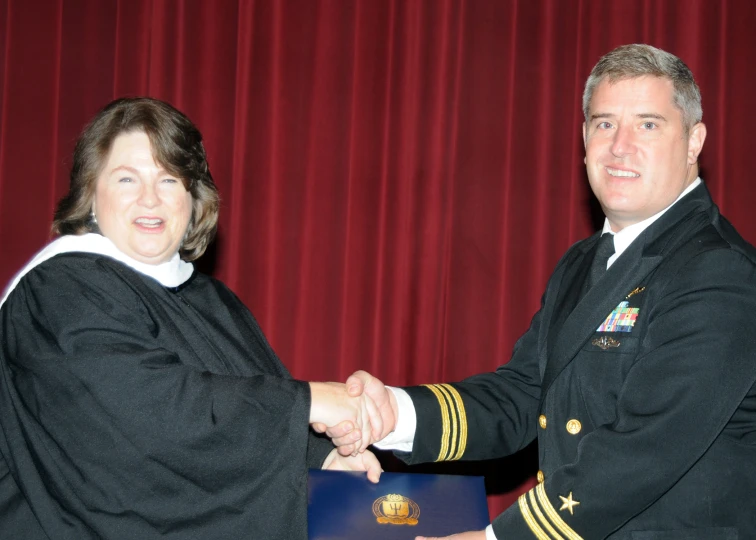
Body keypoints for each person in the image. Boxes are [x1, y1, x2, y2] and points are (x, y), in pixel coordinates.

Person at [320, 44, 756, 539]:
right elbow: (523, 395)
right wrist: (393, 413)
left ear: (695, 140)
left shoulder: (720, 273)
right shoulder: (583, 262)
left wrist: (497, 539)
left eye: (648, 125)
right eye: (604, 123)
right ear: (585, 137)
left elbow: (646, 448)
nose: (620, 146)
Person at [0, 97, 387, 540]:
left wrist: (321, 460)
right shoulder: (58, 290)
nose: (150, 198)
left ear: (192, 198)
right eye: (127, 178)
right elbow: (146, 418)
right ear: (90, 194)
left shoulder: (212, 300)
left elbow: (253, 409)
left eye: (169, 180)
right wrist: (312, 400)